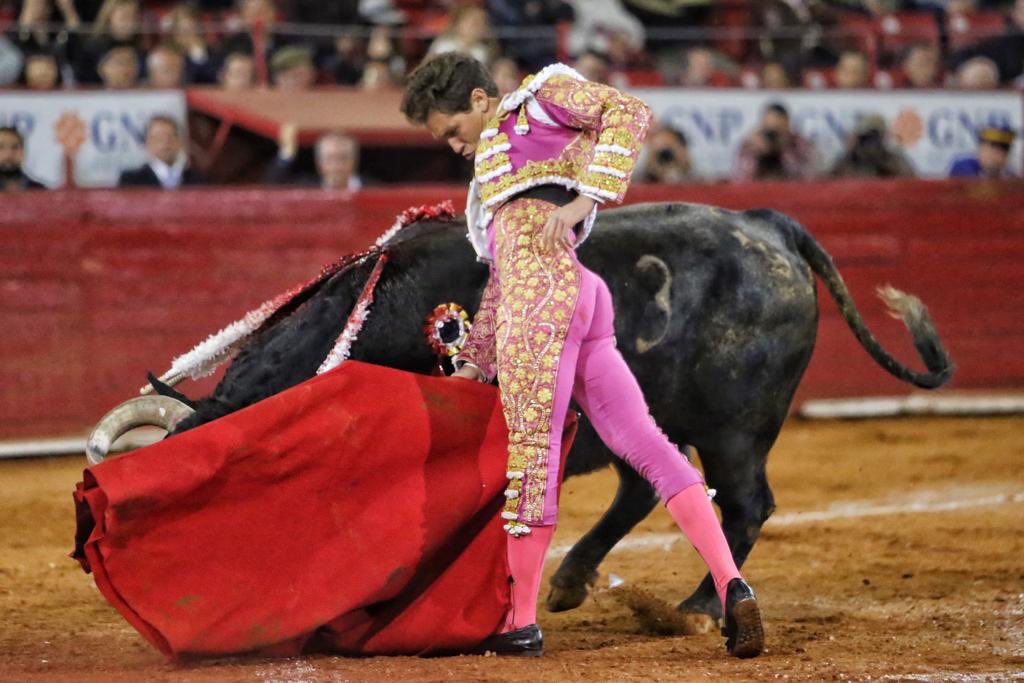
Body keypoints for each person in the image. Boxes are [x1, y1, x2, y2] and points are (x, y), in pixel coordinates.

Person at [401, 51, 763, 659]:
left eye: (454, 131)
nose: (455, 146)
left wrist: (584, 201)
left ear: (479, 100)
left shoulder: (541, 99)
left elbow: (628, 110)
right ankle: (732, 583)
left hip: (543, 303)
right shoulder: (491, 172)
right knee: (646, 443)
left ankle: (520, 623)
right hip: (577, 295)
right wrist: (474, 361)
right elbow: (502, 278)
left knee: (532, 459)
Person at [734, 102, 816, 181]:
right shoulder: (750, 143)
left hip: (789, 189)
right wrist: (756, 153)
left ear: (787, 125)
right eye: (768, 129)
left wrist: (784, 149)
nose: (772, 136)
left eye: (778, 128)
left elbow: (808, 178)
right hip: (758, 189)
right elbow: (740, 179)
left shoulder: (799, 143)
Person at [268, 125, 363, 191]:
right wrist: (287, 152)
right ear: (319, 162)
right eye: (329, 159)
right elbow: (273, 183)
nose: (336, 166)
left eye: (343, 158)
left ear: (354, 160)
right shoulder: (307, 189)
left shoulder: (370, 187)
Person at [118, 116, 204, 188]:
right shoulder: (131, 181)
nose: (165, 143)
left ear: (180, 142)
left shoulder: (198, 181)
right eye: (159, 137)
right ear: (147, 143)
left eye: (170, 137)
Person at [830, 114, 915, 178]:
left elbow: (911, 185)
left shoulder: (894, 160)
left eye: (875, 137)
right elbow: (828, 185)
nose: (870, 143)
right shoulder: (846, 162)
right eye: (866, 138)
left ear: (883, 137)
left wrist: (886, 166)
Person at [949, 125, 1017, 178]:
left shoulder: (1010, 177)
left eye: (1004, 150)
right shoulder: (963, 169)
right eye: (993, 148)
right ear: (981, 148)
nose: (998, 154)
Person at [0, 126, 46, 191]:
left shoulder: (40, 191)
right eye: (1, 147)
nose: (8, 154)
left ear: (23, 152)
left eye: (15, 147)